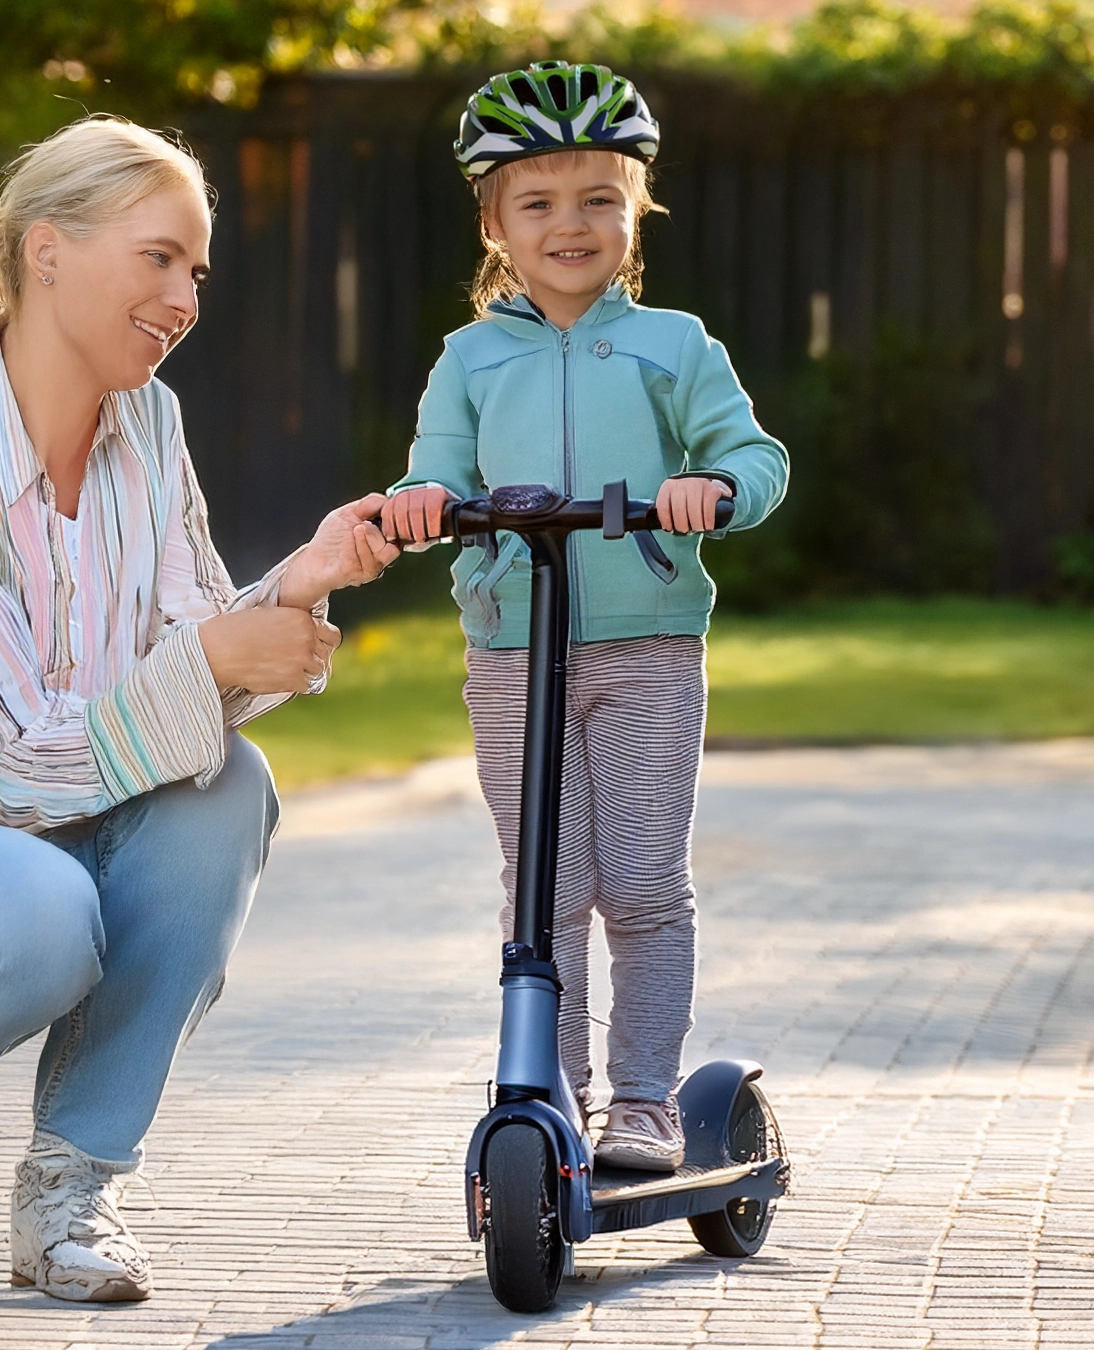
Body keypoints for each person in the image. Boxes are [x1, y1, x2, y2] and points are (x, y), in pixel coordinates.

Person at [0, 115, 398, 1302]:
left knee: (224, 795)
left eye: (196, 273)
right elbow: (8, 764)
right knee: (38, 908)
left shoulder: (150, 426)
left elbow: (183, 654)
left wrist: (293, 589)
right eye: (159, 258)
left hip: (43, 846)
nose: (184, 299)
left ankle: (70, 1187)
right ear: (45, 251)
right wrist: (216, 655)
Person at [380, 62, 789, 1173]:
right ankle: (551, 1096)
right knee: (544, 894)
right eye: (539, 202)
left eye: (599, 198)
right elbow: (436, 468)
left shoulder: (677, 345)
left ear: (636, 210)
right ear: (494, 223)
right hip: (514, 651)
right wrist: (421, 501)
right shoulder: (468, 358)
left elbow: (753, 456)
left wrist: (716, 487)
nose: (571, 224)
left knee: (644, 880)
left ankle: (646, 1101)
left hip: (646, 648)